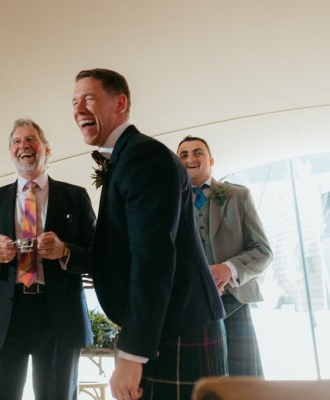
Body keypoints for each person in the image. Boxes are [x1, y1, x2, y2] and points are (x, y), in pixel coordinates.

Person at [72, 69, 228, 400]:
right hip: (165, 326)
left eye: (88, 99)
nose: (78, 109)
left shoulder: (143, 156)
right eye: (73, 102)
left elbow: (154, 256)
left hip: (176, 328)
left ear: (120, 103)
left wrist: (132, 353)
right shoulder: (129, 155)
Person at [0, 118, 96, 400]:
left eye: (31, 140)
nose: (23, 146)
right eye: (16, 141)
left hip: (57, 316)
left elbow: (98, 258)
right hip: (5, 315)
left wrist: (65, 251)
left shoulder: (75, 197)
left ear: (47, 150)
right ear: (10, 152)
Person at [177, 135, 272, 377]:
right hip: (189, 308)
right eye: (183, 154)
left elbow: (263, 251)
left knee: (244, 383)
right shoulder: (169, 203)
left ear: (211, 159)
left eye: (197, 152)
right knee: (201, 381)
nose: (190, 158)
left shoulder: (238, 196)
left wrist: (229, 268)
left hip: (234, 303)